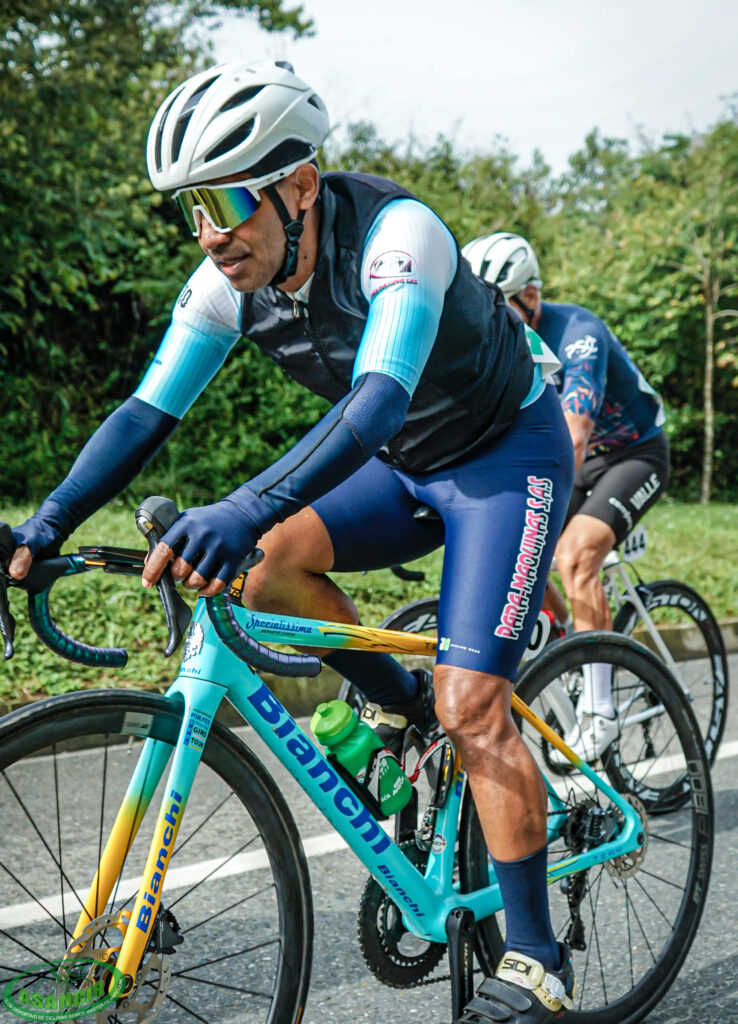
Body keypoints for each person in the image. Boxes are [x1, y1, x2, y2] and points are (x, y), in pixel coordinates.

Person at [9, 62, 575, 1021]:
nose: (209, 232)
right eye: (192, 208)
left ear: (299, 186)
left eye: (228, 202)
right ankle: (402, 706)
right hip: (402, 463)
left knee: (474, 704)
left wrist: (243, 505)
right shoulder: (228, 279)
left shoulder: (398, 237)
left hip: (503, 457)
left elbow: (378, 398)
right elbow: (146, 412)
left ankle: (537, 960)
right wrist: (46, 524)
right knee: (269, 570)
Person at [463, 232, 669, 762]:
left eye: (498, 308)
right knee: (520, 544)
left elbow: (576, 435)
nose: (488, 322)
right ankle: (565, 648)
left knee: (574, 556)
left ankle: (600, 712)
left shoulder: (579, 334)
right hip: (572, 462)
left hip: (633, 455)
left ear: (530, 296)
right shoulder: (497, 341)